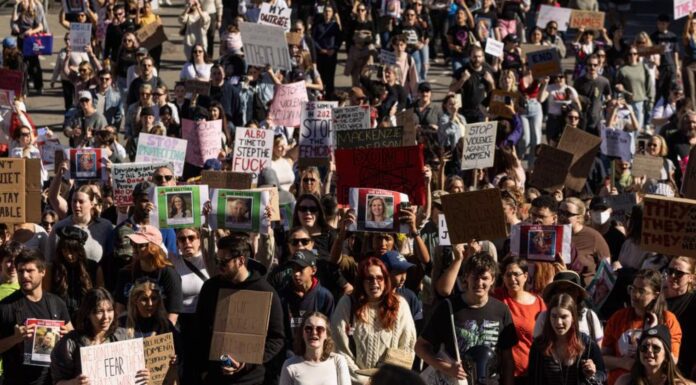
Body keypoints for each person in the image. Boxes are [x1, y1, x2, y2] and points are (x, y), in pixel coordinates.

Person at [195, 234, 285, 384]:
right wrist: (203, 371)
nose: (219, 266)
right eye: (217, 261)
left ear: (241, 261)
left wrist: (247, 362)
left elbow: (277, 339)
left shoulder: (264, 291)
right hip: (215, 377)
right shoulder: (210, 288)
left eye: (224, 262)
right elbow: (199, 332)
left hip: (251, 379)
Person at [416, 252, 517, 385]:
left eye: (484, 278)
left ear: (492, 280)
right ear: (466, 278)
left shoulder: (501, 310)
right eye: (474, 277)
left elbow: (507, 359)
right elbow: (420, 347)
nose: (479, 283)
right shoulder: (448, 308)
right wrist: (447, 368)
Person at [331, 257, 416, 385]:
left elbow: (407, 347)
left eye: (379, 278)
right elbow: (339, 348)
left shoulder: (400, 305)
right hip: (355, 381)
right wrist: (363, 381)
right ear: (361, 281)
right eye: (369, 278)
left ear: (386, 280)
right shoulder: (347, 303)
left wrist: (386, 380)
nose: (375, 283)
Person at [0, 249, 72, 385]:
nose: (24, 275)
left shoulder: (56, 303)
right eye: (21, 271)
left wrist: (67, 337)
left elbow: (73, 336)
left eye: (29, 271)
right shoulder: (5, 307)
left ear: (42, 271)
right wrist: (15, 338)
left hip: (52, 380)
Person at [50, 288, 150, 385]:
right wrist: (74, 383)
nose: (106, 317)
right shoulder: (69, 343)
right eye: (99, 312)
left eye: (110, 310)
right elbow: (58, 382)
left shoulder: (124, 338)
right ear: (88, 313)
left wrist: (144, 375)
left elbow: (136, 373)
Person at [602, 268, 683, 385]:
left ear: (656, 294)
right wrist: (622, 363)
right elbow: (603, 359)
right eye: (633, 288)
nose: (635, 294)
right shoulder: (618, 317)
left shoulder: (668, 320)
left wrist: (654, 332)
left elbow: (673, 360)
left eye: (641, 291)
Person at [527, 293, 607, 385]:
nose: (558, 322)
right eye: (554, 316)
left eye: (563, 317)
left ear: (573, 317)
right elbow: (533, 379)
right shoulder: (539, 345)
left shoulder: (587, 344)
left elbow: (602, 374)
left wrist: (592, 374)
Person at [114, 225, 183, 324]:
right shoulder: (125, 273)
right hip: (131, 330)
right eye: (133, 244)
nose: (135, 248)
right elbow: (119, 309)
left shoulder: (169, 274)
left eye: (140, 245)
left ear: (153, 247)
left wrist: (162, 335)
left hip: (161, 331)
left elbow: (173, 313)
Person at [493, 256, 546, 383]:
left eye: (516, 274)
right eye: (508, 274)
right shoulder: (496, 297)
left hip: (530, 372)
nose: (512, 279)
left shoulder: (538, 303)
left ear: (526, 276)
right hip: (500, 372)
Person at [171, 227, 210, 385]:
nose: (187, 242)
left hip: (205, 323)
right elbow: (155, 242)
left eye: (191, 237)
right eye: (182, 239)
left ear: (199, 240)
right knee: (188, 370)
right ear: (177, 243)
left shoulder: (209, 261)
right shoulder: (173, 261)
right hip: (183, 325)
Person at [279, 250, 334, 348]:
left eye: (300, 269)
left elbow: (330, 331)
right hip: (289, 353)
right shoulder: (283, 295)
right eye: (293, 269)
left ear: (313, 270)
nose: (296, 273)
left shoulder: (324, 296)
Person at [48, 184, 114, 264]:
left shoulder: (105, 226)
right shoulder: (59, 228)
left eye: (81, 202)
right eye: (74, 201)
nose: (76, 205)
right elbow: (49, 260)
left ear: (92, 204)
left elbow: (110, 259)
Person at [48, 225, 103, 319]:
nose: (69, 256)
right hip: (59, 316)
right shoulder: (53, 267)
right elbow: (47, 295)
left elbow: (100, 294)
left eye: (73, 251)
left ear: (80, 251)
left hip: (87, 317)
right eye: (65, 251)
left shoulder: (93, 267)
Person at [280, 312, 350, 385]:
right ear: (302, 334)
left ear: (327, 334)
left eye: (320, 329)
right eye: (308, 329)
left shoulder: (338, 361)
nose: (314, 332)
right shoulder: (289, 365)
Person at [614, 325, 694, 385]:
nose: (649, 350)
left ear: (666, 356)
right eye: (644, 347)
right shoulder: (624, 382)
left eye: (656, 348)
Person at [665, 256, 696, 377]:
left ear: (691, 278)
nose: (672, 276)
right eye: (670, 271)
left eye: (679, 273)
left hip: (683, 366)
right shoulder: (657, 297)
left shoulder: (693, 302)